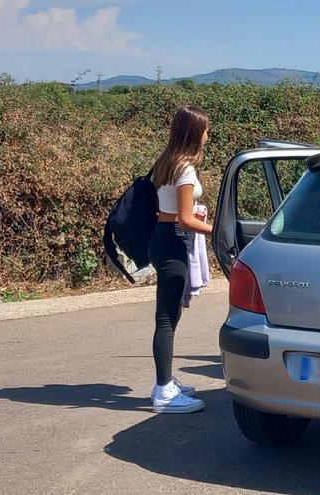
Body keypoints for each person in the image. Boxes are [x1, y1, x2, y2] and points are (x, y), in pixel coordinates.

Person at [148, 105, 213, 414]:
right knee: (166, 316)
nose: (207, 135)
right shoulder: (184, 168)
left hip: (161, 236)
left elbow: (170, 209)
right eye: (205, 130)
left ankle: (166, 381)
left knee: (170, 313)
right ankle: (163, 391)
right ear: (194, 133)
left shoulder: (166, 162)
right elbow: (185, 219)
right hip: (174, 238)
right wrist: (219, 230)